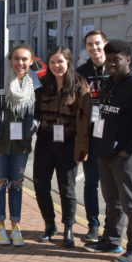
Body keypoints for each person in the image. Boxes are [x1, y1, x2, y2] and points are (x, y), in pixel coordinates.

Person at [84, 40, 132, 262]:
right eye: (109, 60)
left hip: (127, 157)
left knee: (130, 203)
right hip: (106, 153)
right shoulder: (109, 83)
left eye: (116, 60)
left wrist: (127, 150)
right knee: (111, 201)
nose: (111, 64)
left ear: (128, 59)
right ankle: (111, 239)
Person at [0, 44, 41, 246]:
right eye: (16, 58)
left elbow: (39, 110)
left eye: (24, 59)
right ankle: (0, 226)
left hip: (21, 143)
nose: (20, 63)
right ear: (10, 60)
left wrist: (35, 125)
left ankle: (16, 226)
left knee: (17, 185)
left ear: (31, 62)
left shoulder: (35, 83)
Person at [33, 46, 91, 248]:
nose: (57, 66)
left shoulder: (79, 85)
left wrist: (82, 148)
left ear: (68, 62)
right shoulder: (43, 84)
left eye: (60, 62)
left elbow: (84, 120)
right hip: (45, 140)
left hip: (69, 142)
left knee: (66, 187)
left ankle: (68, 227)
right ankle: (49, 224)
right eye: (53, 62)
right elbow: (34, 112)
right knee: (40, 184)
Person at [76, 30, 109, 242]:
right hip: (89, 135)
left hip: (111, 134)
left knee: (112, 185)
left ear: (104, 44)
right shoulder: (81, 72)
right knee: (91, 182)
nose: (94, 47)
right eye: (90, 44)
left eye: (97, 43)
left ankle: (112, 227)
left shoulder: (116, 69)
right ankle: (93, 225)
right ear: (86, 48)